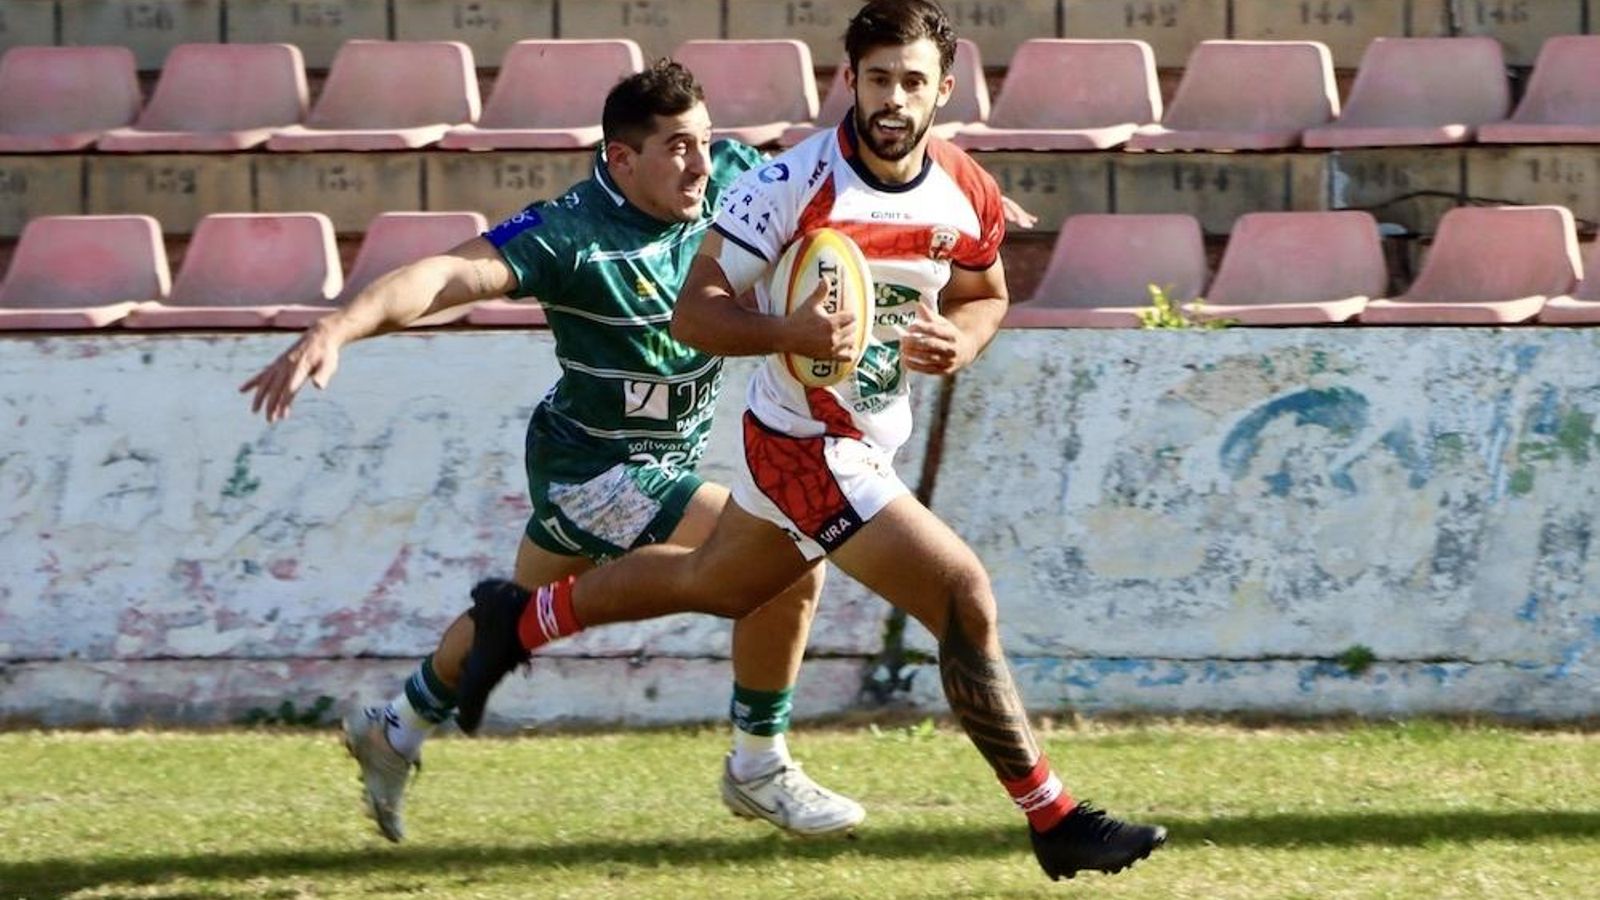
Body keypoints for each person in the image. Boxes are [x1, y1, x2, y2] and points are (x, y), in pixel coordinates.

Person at [454, 0, 1167, 881]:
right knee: (962, 597)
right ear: (849, 82)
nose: (893, 100)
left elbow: (985, 291)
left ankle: (516, 620)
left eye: (913, 82)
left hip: (871, 435)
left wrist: (967, 339)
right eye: (877, 80)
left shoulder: (965, 187)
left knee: (715, 583)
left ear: (944, 89)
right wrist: (789, 333)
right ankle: (1053, 818)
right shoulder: (789, 186)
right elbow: (696, 314)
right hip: (805, 445)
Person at [239, 61, 867, 843]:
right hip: (593, 472)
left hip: (631, 469)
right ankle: (759, 765)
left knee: (507, 626)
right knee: (780, 553)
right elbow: (444, 276)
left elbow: (840, 171)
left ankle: (392, 725)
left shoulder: (731, 177)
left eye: (704, 141)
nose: (701, 164)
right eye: (677, 147)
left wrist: (957, 206)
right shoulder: (570, 231)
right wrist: (337, 328)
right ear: (621, 159)